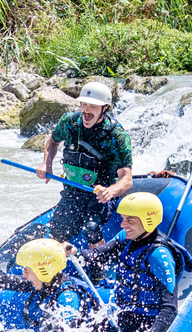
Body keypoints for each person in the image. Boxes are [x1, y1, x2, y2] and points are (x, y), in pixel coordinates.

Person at [67, 192, 192, 332]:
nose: (122, 224)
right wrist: (74, 251)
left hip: (146, 322)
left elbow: (169, 308)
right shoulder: (126, 237)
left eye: (129, 220)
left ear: (147, 220)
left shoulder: (159, 255)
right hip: (124, 313)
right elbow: (98, 255)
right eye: (122, 219)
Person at [36, 82, 133, 243]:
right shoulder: (70, 122)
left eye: (93, 106)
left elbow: (127, 180)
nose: (87, 110)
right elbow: (53, 142)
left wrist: (110, 191)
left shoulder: (117, 135)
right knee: (57, 231)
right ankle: (60, 263)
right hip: (73, 191)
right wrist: (47, 163)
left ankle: (98, 265)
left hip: (101, 195)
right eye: (84, 104)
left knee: (92, 227)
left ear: (105, 108)